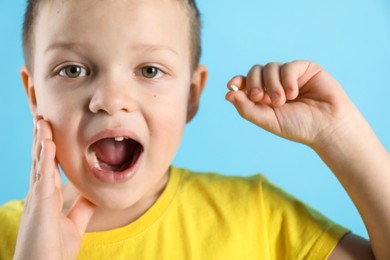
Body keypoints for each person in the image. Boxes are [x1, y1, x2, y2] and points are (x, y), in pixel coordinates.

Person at [0, 0, 389, 259]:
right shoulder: (8, 235)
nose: (110, 99)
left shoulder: (256, 214)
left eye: (149, 70)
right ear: (34, 95)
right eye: (72, 70)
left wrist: (340, 134)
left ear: (191, 96)